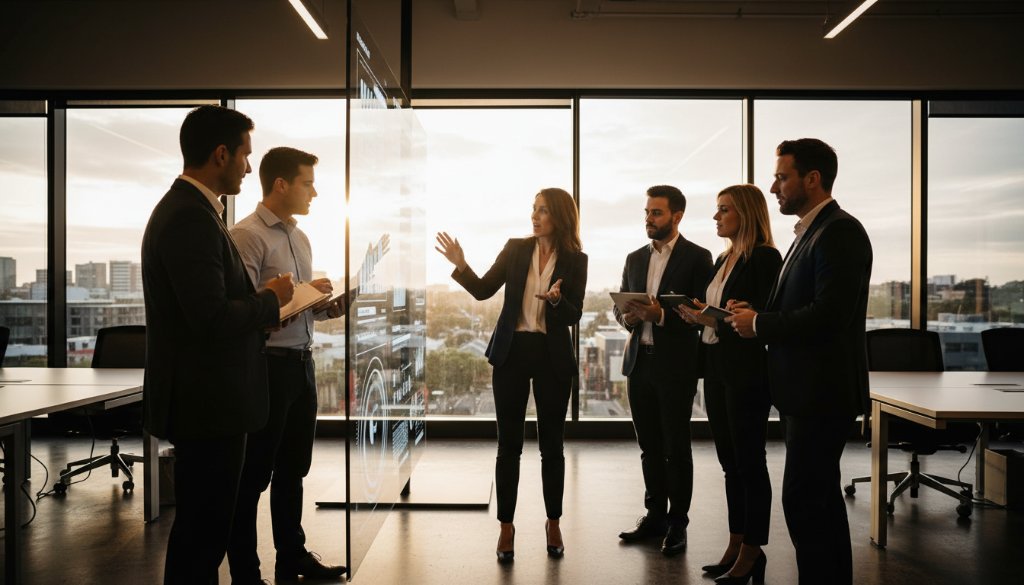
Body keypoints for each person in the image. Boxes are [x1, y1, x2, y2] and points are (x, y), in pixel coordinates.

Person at [141, 105, 295, 585]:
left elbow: (210, 310)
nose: (250, 168)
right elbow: (209, 318)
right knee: (201, 538)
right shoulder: (190, 219)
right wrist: (269, 301)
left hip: (209, 401)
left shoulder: (194, 212)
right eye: (245, 156)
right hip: (208, 405)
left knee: (201, 534)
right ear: (221, 153)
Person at [727, 138, 872, 585]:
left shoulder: (840, 231)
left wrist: (761, 325)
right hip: (803, 391)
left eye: (782, 177)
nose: (774, 187)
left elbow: (830, 315)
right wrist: (752, 313)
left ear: (813, 179)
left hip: (820, 393)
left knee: (807, 503)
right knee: (817, 503)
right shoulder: (810, 232)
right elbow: (800, 304)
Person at [435, 187, 587, 563]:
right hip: (512, 352)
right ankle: (507, 526)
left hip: (552, 356)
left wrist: (557, 301)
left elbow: (574, 314)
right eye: (533, 210)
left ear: (560, 217)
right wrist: (461, 263)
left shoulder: (575, 259)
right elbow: (485, 290)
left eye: (543, 211)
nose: (535, 217)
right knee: (510, 446)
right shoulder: (516, 248)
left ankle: (553, 523)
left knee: (552, 447)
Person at [227, 147, 347, 583]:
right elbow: (244, 311)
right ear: (281, 184)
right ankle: (245, 572)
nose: (314, 192)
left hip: (301, 364)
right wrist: (295, 294)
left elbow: (300, 309)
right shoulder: (247, 236)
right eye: (307, 183)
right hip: (267, 368)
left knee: (294, 469)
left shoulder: (299, 237)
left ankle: (291, 557)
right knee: (254, 475)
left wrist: (329, 306)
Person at [675, 185, 781, 584]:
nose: (716, 217)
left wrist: (731, 315)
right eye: (716, 210)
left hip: (747, 370)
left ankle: (754, 551)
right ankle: (737, 543)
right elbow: (723, 316)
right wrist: (700, 314)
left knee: (750, 463)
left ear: (746, 214)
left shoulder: (765, 258)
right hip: (717, 366)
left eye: (724, 211)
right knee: (729, 464)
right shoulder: (723, 258)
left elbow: (768, 314)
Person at [614, 185, 713, 556]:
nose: (649, 219)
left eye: (656, 213)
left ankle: (678, 522)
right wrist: (625, 315)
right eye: (646, 213)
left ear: (677, 216)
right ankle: (654, 516)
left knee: (676, 446)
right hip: (639, 361)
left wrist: (661, 315)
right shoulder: (634, 258)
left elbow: (703, 315)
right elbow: (620, 304)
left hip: (675, 364)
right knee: (649, 447)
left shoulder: (698, 258)